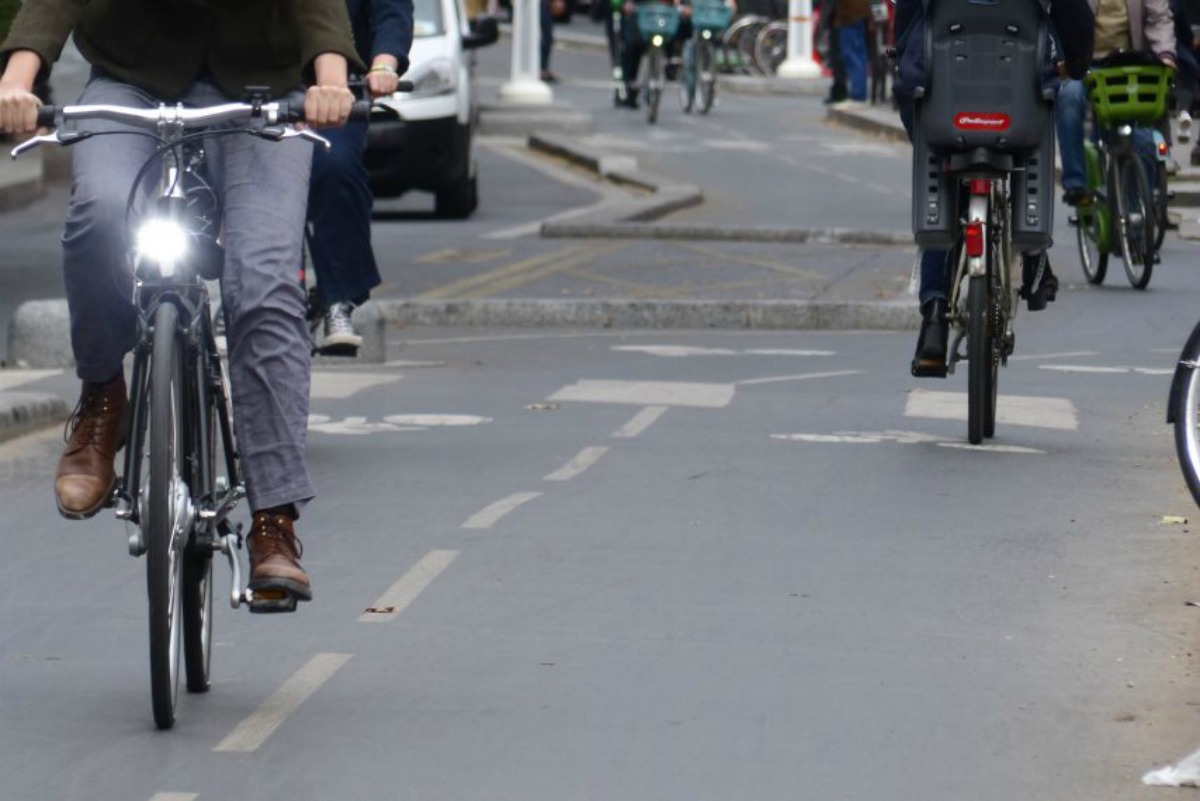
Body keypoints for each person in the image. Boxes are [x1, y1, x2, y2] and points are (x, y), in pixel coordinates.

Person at [0, 0, 362, 608]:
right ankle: (101, 400)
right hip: (132, 78)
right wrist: (17, 77)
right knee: (98, 217)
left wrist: (329, 78)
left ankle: (274, 521)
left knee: (265, 283)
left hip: (261, 85)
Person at [893, 0, 1094, 377]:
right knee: (1027, 135)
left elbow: (907, 13)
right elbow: (1074, 15)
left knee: (940, 163)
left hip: (943, 89)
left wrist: (902, 54)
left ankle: (935, 315)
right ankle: (1033, 255)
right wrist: (1078, 64)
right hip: (1017, 89)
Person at [308, 0, 413, 355]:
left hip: (340, 90)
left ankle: (338, 299)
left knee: (335, 165)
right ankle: (227, 291)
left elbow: (391, 14)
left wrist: (384, 63)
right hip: (259, 87)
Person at [1056, 0, 1176, 208]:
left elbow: (1159, 17)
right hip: (1084, 63)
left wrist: (1165, 55)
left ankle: (1140, 203)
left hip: (1127, 64)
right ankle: (1075, 183)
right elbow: (1065, 16)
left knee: (1143, 140)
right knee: (1068, 97)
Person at [619, 0, 693, 107]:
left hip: (664, 16)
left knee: (677, 33)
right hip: (644, 14)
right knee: (633, 46)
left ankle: (672, 65)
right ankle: (631, 87)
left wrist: (684, 6)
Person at [831, 0, 869, 106]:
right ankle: (859, 92)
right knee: (858, 55)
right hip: (857, 15)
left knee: (851, 56)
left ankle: (858, 94)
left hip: (848, 17)